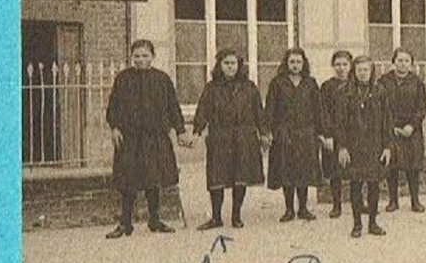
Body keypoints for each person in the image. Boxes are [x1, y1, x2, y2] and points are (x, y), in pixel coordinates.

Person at [104, 39, 190, 238]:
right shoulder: (123, 79)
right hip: (130, 139)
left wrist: (180, 131)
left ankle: (154, 220)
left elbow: (173, 107)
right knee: (128, 182)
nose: (141, 60)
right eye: (137, 56)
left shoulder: (162, 79)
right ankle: (125, 223)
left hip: (155, 138)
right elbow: (113, 107)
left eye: (145, 56)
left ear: (153, 56)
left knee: (154, 179)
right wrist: (114, 127)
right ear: (131, 57)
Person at [192, 49, 265, 230]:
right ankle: (216, 217)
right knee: (217, 178)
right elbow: (203, 110)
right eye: (226, 63)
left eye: (233, 63)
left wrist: (264, 133)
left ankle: (236, 216)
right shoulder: (211, 88)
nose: (230, 67)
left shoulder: (249, 87)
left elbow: (258, 112)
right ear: (220, 66)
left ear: (239, 65)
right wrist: (197, 131)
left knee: (240, 177)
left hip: (243, 137)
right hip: (219, 137)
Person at [335, 55, 391, 237]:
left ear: (371, 71)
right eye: (359, 70)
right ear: (354, 71)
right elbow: (340, 122)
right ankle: (357, 224)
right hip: (354, 147)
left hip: (375, 145)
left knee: (374, 186)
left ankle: (373, 223)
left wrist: (387, 147)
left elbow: (387, 121)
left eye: (366, 70)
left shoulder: (380, 91)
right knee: (356, 185)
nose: (363, 73)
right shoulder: (345, 92)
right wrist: (342, 147)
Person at [265, 47, 322, 222]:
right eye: (292, 62)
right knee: (286, 170)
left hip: (306, 133)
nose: (295, 65)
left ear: (303, 63)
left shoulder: (310, 83)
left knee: (303, 171)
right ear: (286, 63)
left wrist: (321, 132)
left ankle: (303, 208)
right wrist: (267, 131)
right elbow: (270, 108)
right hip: (284, 133)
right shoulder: (277, 83)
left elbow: (318, 109)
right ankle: (289, 209)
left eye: (298, 62)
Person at [380, 48, 426, 214]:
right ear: (393, 62)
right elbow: (380, 106)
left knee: (412, 166)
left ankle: (415, 200)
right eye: (399, 60)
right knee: (392, 166)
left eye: (406, 61)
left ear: (411, 64)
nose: (403, 64)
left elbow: (421, 107)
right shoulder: (384, 81)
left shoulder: (417, 82)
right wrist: (390, 127)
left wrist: (411, 126)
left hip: (411, 131)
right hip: (390, 129)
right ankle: (393, 201)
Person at [318, 50, 353, 218]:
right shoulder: (327, 86)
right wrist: (327, 135)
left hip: (354, 135)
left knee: (357, 170)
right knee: (335, 171)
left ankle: (359, 203)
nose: (341, 68)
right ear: (333, 66)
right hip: (333, 134)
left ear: (350, 66)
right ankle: (336, 205)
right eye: (337, 64)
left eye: (344, 64)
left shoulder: (356, 84)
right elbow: (322, 112)